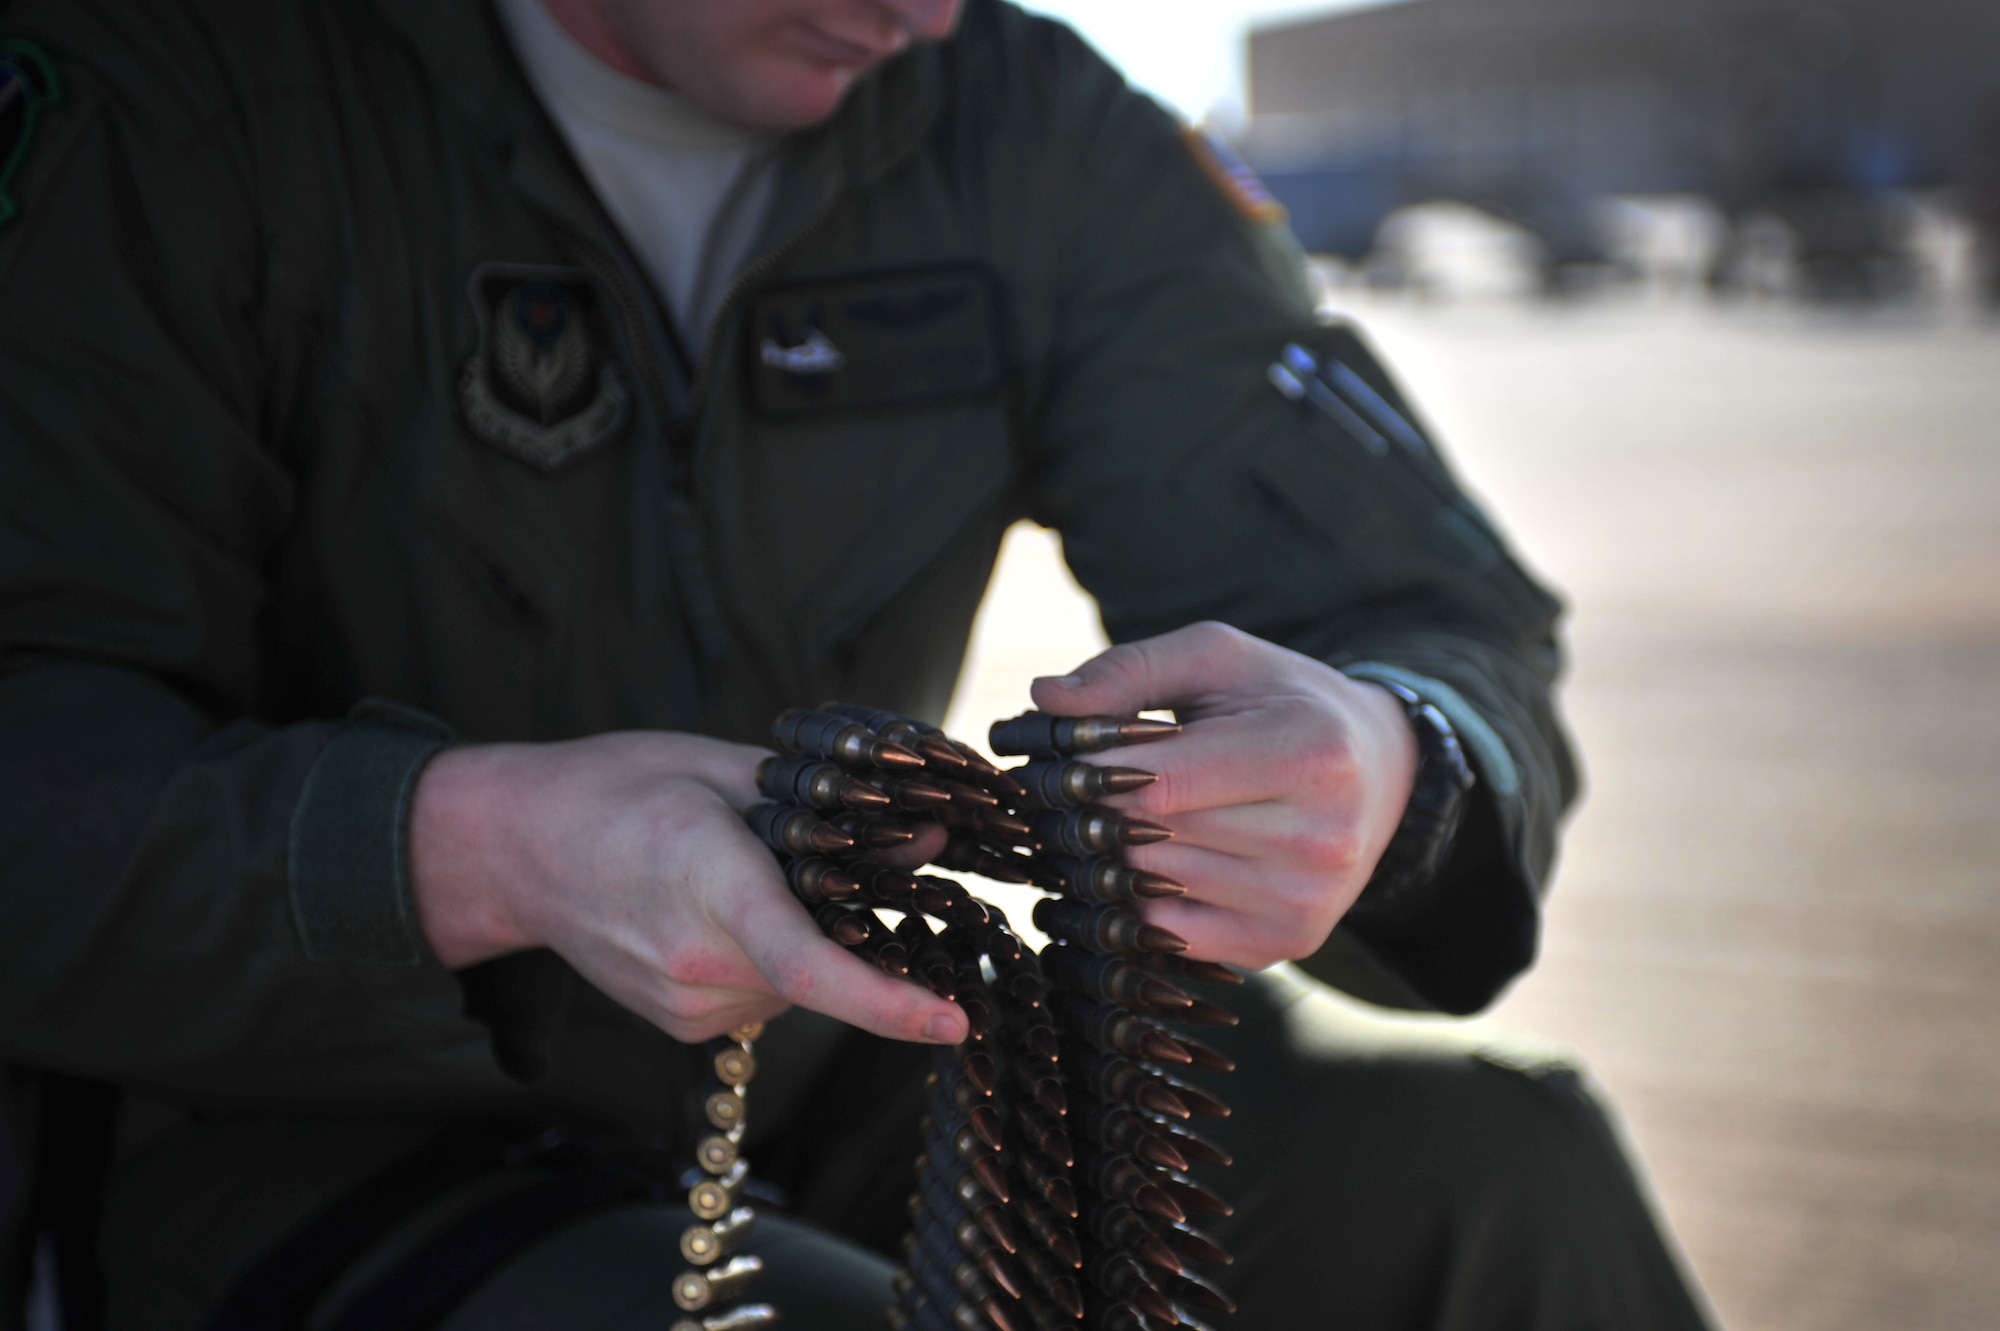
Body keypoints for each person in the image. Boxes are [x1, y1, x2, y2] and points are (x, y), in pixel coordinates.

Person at [0, 0, 1713, 1327]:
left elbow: (1423, 610)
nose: (926, 16)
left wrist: (1386, 759)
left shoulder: (1028, 134)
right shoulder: (174, 91)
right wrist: (476, 843)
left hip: (851, 1059)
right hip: (288, 1134)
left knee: (1504, 1197)